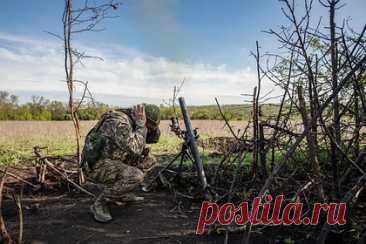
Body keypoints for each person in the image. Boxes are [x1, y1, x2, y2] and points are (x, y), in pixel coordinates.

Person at [81, 104, 161, 222]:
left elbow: (152, 139)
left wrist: (148, 128)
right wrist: (141, 126)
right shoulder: (119, 122)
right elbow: (136, 148)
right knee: (135, 176)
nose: (148, 128)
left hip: (112, 158)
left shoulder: (131, 120)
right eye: (149, 125)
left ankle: (119, 193)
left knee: (149, 160)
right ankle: (100, 203)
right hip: (96, 165)